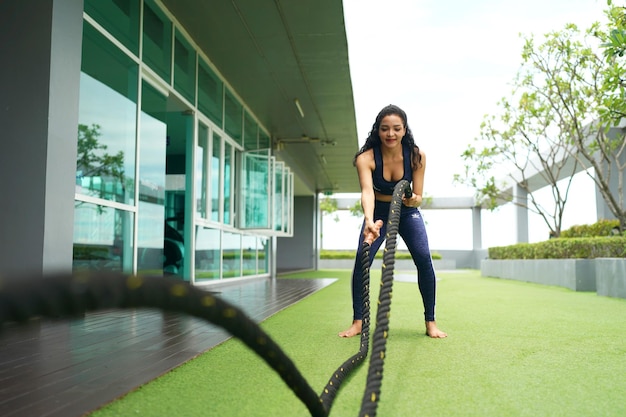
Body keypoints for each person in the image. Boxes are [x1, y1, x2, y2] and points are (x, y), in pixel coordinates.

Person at [338, 104, 447, 339]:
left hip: (406, 212)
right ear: (377, 130)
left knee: (423, 259)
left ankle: (431, 322)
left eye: (396, 129)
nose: (390, 134)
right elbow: (367, 192)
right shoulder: (365, 158)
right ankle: (358, 321)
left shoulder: (417, 156)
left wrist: (410, 199)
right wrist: (369, 220)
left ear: (404, 130)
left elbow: (418, 197)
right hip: (377, 211)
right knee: (362, 259)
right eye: (385, 129)